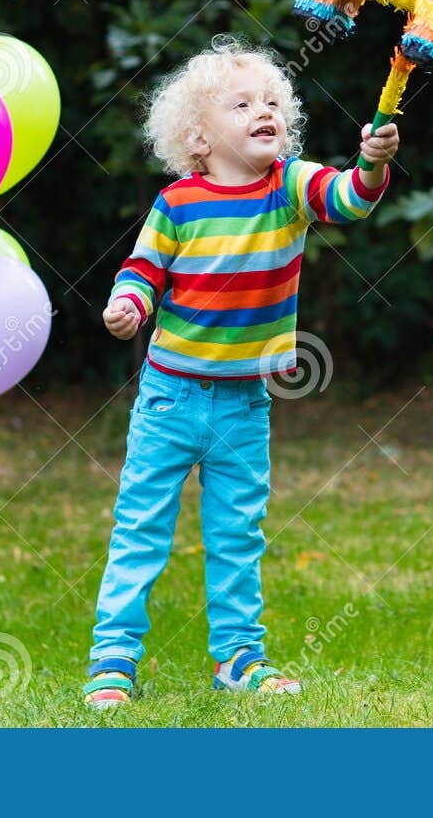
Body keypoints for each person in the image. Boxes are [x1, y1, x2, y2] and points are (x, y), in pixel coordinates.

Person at [83, 39, 400, 706]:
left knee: (237, 534)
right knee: (140, 527)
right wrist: (128, 303)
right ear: (198, 135)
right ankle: (113, 658)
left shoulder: (288, 186)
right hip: (169, 397)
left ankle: (238, 658)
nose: (266, 111)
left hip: (244, 405)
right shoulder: (176, 203)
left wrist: (371, 167)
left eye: (273, 103)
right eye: (243, 103)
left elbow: (346, 198)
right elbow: (145, 268)